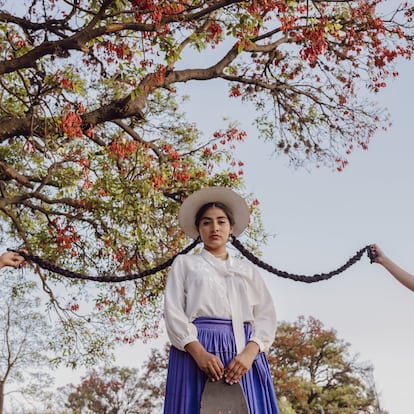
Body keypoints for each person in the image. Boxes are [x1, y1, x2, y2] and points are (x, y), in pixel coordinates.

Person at [163, 187, 279, 414]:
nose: (214, 228)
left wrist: (249, 353)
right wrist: (198, 352)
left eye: (221, 221)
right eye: (206, 222)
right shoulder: (185, 264)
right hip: (198, 348)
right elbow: (173, 311)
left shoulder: (247, 270)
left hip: (243, 353)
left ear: (231, 228)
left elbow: (266, 314)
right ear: (198, 229)